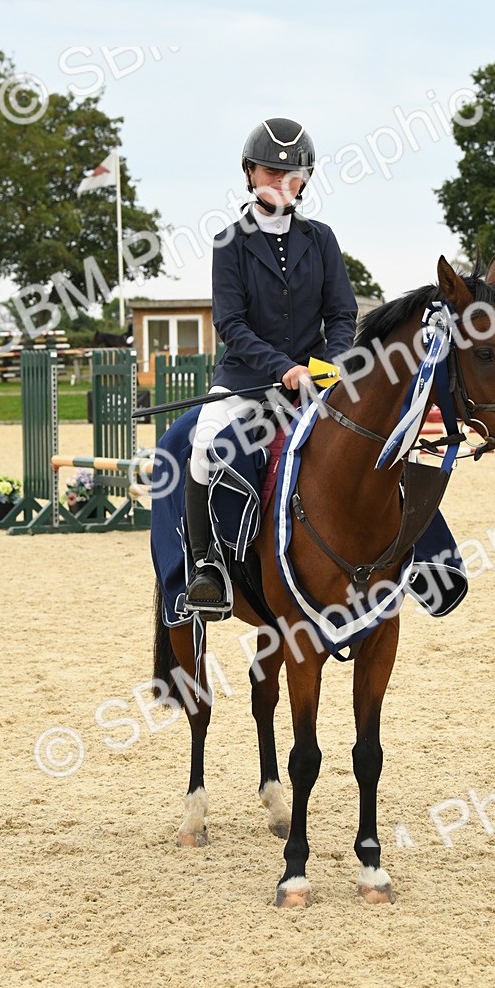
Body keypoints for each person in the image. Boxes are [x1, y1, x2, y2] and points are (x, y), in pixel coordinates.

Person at [184, 117, 359, 617]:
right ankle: (208, 569)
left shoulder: (321, 238)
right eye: (269, 173)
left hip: (314, 383)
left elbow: (342, 313)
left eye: (291, 175)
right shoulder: (229, 242)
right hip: (245, 380)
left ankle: (418, 560)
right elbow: (232, 324)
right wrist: (283, 367)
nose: (281, 183)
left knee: (374, 441)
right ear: (248, 174)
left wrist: (327, 364)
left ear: (305, 180)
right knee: (202, 446)